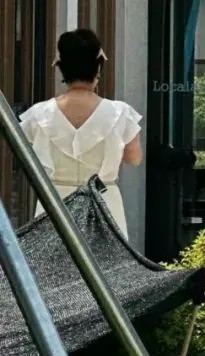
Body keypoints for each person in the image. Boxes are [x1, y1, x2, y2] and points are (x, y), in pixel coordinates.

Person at [18, 28, 143, 237]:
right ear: (98, 68)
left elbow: (24, 155)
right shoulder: (121, 113)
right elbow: (134, 158)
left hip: (55, 203)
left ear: (61, 68)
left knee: (52, 256)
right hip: (104, 202)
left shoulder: (39, 114)